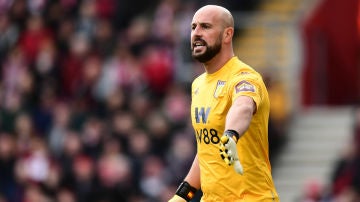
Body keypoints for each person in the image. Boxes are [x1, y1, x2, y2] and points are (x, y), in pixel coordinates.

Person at [168, 5, 280, 202]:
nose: (196, 33)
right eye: (193, 27)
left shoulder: (245, 77)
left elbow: (243, 106)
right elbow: (206, 150)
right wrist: (183, 196)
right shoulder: (198, 85)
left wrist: (231, 134)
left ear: (227, 34)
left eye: (205, 27)